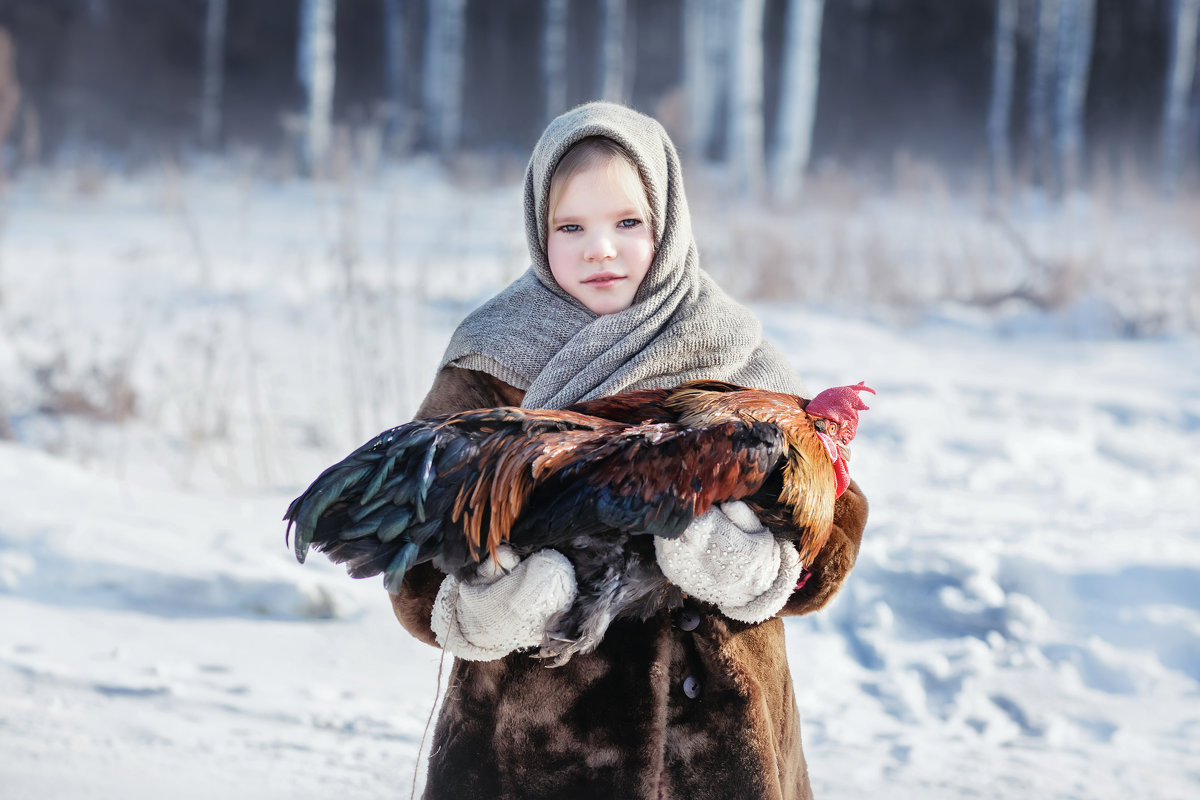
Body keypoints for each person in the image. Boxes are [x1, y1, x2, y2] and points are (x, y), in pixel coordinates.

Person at [389, 102, 868, 800]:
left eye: (626, 223)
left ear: (667, 220)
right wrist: (491, 605)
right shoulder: (490, 358)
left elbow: (832, 526)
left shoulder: (733, 349)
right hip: (530, 753)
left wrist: (751, 564)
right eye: (571, 227)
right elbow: (409, 542)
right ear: (537, 228)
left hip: (720, 753)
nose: (600, 249)